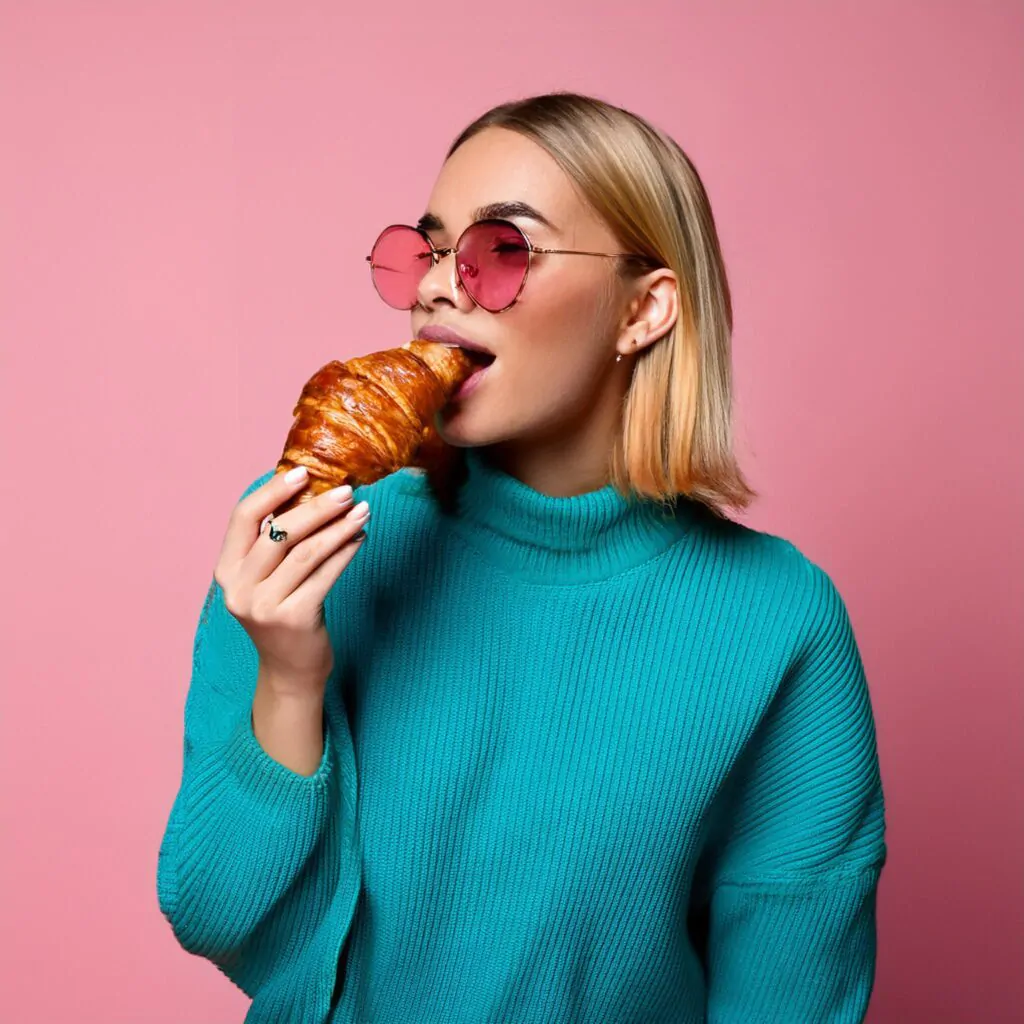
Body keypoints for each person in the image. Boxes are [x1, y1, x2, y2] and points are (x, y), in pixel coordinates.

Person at [156, 91, 888, 1023]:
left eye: (502, 252)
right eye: (426, 251)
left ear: (644, 310)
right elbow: (219, 917)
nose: (434, 286)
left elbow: (791, 997)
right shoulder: (308, 546)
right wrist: (288, 680)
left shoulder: (778, 622)